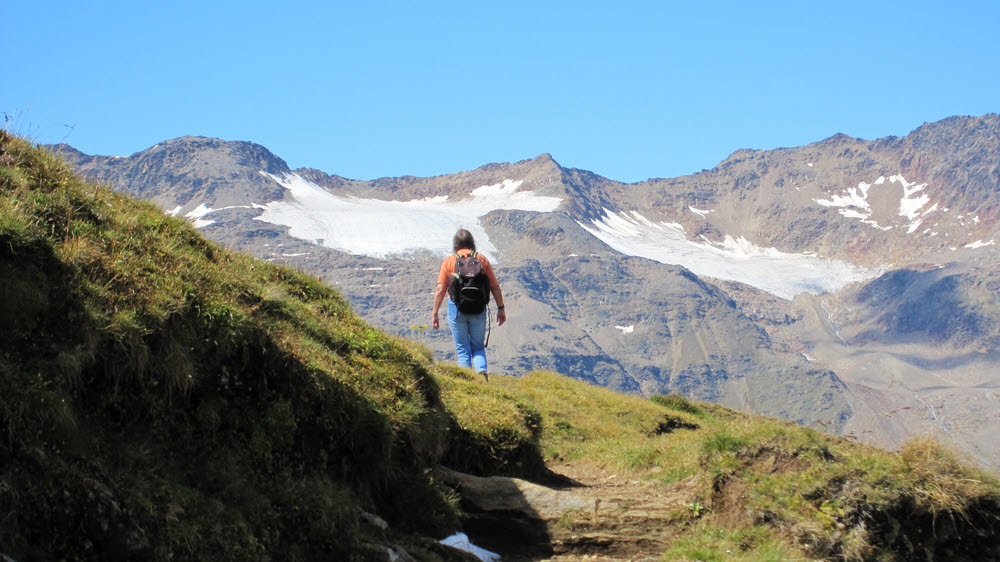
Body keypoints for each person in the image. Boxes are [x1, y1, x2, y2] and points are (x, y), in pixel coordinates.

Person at [432, 229, 506, 379]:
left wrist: (435, 313)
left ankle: (466, 381)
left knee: (463, 349)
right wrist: (501, 308)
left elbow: (440, 289)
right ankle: (481, 373)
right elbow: (494, 287)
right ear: (472, 242)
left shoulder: (449, 261)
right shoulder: (482, 260)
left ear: (455, 244)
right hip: (478, 308)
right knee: (478, 347)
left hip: (456, 308)